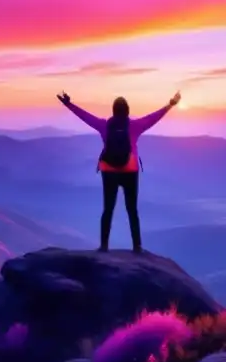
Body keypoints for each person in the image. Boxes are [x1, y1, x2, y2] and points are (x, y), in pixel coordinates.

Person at [57, 90, 181, 253]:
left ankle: (104, 246)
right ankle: (137, 247)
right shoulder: (135, 126)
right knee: (132, 209)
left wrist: (68, 104)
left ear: (113, 110)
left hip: (109, 169)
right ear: (127, 111)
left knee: (108, 209)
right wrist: (170, 105)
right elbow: (154, 118)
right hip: (130, 169)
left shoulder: (104, 126)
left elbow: (85, 117)